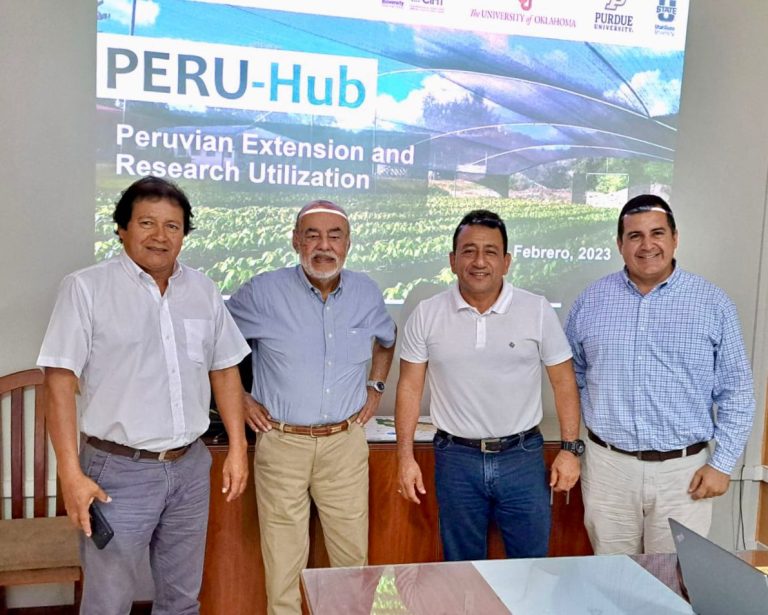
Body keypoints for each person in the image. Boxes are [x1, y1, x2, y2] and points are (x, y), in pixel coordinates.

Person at [38, 176, 250, 614]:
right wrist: (70, 474)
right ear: (122, 228)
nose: (160, 236)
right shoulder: (86, 288)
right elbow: (58, 384)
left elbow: (224, 369)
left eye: (173, 226)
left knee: (181, 599)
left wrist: (238, 447)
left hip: (189, 467)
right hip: (116, 472)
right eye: (147, 223)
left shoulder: (203, 290)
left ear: (184, 234)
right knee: (109, 602)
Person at [226, 199, 396, 615]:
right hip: (281, 443)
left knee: (352, 562)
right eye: (312, 235)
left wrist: (375, 387)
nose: (324, 246)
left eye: (334, 236)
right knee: (283, 566)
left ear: (348, 244)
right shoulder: (262, 292)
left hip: (344, 445)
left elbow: (387, 340)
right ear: (295, 241)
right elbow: (216, 346)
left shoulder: (366, 292)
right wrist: (241, 399)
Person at [565, 194, 755, 554]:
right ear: (620, 244)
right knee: (612, 575)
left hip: (683, 474)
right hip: (608, 469)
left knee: (673, 579)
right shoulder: (591, 301)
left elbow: (738, 392)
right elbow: (571, 377)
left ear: (675, 238)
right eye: (635, 236)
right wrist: (573, 446)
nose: (647, 245)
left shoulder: (713, 304)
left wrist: (722, 464)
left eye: (657, 233)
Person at [396, 209, 582, 561]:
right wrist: (405, 457)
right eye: (468, 251)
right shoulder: (428, 313)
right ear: (452, 260)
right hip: (456, 460)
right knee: (461, 568)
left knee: (530, 568)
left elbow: (564, 382)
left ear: (506, 261)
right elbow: (409, 387)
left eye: (490, 252)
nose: (479, 261)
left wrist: (570, 450)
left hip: (522, 458)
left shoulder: (536, 309)